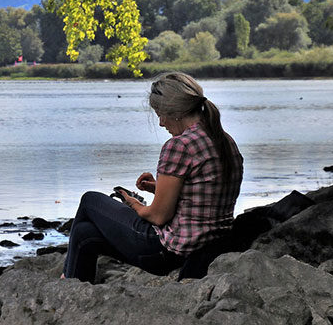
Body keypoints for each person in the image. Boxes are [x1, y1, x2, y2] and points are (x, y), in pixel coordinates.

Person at [62, 72, 243, 283]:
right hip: (209, 244)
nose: (160, 123)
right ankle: (72, 284)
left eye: (160, 114)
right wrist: (159, 188)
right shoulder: (225, 140)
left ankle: (66, 278)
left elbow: (158, 217)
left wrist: (133, 204)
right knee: (85, 234)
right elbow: (204, 194)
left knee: (90, 200)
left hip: (167, 251)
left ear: (174, 112)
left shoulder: (179, 145)